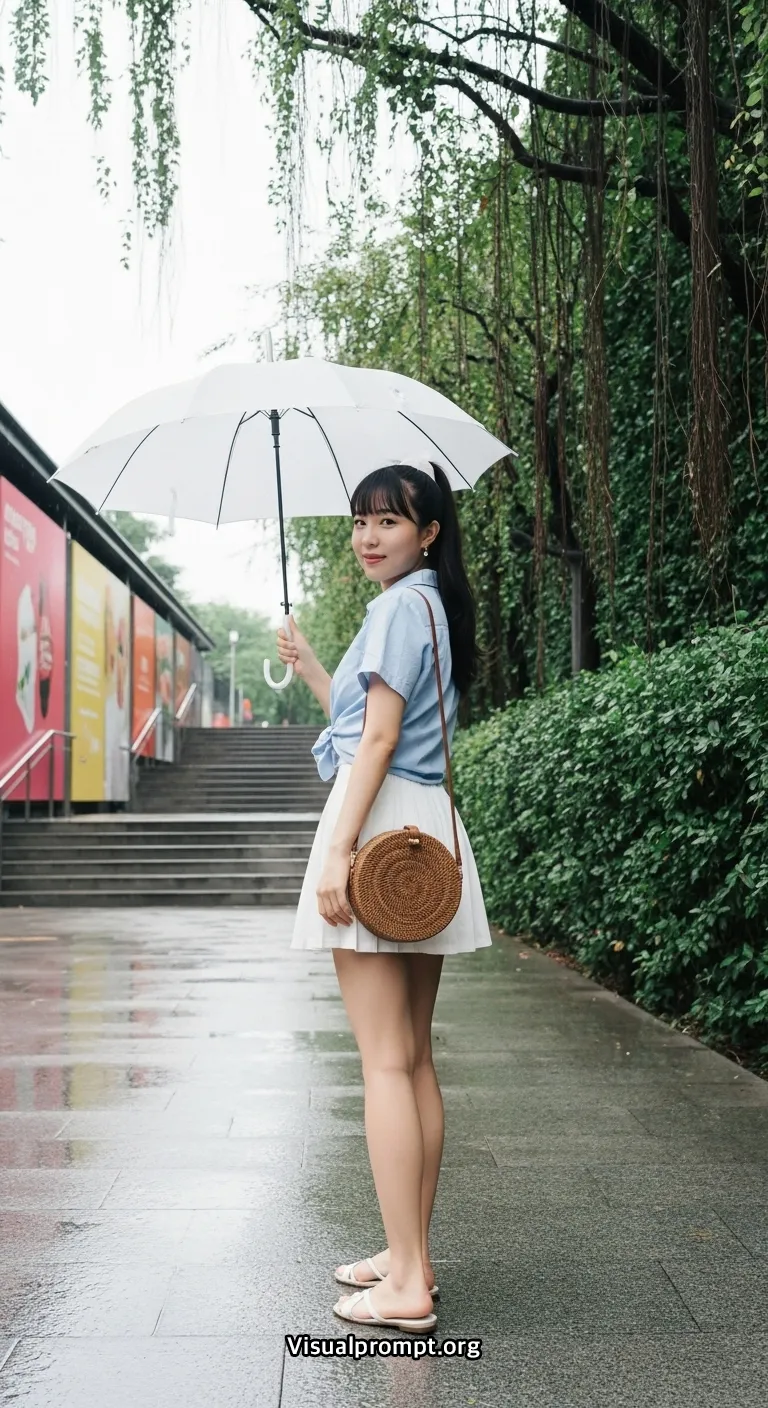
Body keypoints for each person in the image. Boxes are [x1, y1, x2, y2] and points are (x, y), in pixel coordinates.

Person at [276, 458, 492, 1334]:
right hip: (426, 827)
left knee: (383, 1062)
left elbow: (377, 745)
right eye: (361, 521)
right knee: (413, 1056)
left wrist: (336, 853)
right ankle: (411, 1258)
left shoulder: (398, 605)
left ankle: (405, 1284)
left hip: (379, 831)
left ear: (428, 531)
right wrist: (321, 668)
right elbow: (368, 726)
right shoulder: (434, 605)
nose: (369, 537)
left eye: (389, 522)